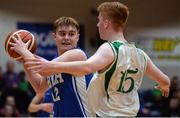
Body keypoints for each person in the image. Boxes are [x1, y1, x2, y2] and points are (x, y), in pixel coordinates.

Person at [16, 2, 170, 116]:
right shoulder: (141, 54)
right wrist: (164, 86)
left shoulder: (106, 49)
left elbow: (87, 67)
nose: (97, 24)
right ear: (54, 36)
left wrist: (26, 52)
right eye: (62, 34)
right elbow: (165, 81)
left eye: (99, 20)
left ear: (106, 23)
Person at [10, 17, 93, 117]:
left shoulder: (77, 55)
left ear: (77, 37)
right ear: (54, 36)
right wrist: (24, 58)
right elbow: (39, 87)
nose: (66, 37)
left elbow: (45, 68)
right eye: (62, 33)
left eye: (71, 34)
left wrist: (24, 51)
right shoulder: (53, 62)